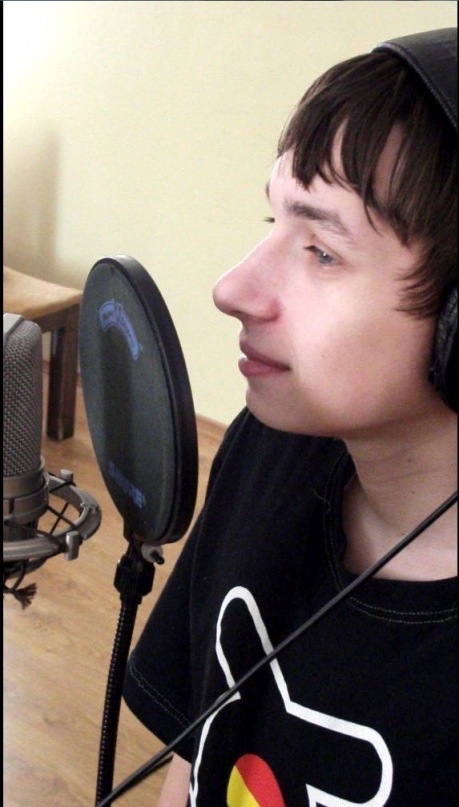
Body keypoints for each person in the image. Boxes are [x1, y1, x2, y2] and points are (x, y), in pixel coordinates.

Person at [123, 28, 457, 806]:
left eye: (322, 251)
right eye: (272, 220)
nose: (231, 288)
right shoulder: (266, 450)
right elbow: (199, 751)